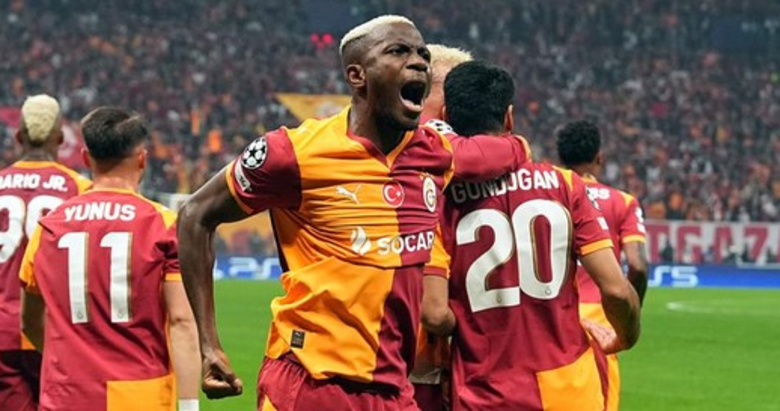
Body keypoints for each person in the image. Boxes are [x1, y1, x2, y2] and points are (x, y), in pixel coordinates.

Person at [177, 15, 529, 411]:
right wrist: (210, 345)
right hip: (312, 384)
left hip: (393, 390)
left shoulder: (433, 152)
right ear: (357, 75)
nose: (418, 62)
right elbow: (195, 215)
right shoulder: (292, 154)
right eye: (398, 51)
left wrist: (519, 145)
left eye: (422, 54)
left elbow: (496, 153)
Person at [422, 61, 641, 411]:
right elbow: (616, 289)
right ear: (509, 118)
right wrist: (625, 336)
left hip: (485, 392)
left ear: (447, 117)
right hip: (569, 389)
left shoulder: (438, 201)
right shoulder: (565, 184)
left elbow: (434, 315)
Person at [19, 107, 200, 411]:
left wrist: (63, 360)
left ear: (85, 158)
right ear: (142, 159)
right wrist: (190, 406)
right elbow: (181, 321)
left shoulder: (49, 226)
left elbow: (29, 320)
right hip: (140, 395)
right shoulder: (163, 224)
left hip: (67, 394)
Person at [0, 95, 91, 411]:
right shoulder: (80, 189)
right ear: (60, 138)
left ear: (18, 136)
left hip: (2, 334)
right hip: (57, 335)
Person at [556, 120, 649, 411]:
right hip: (601, 325)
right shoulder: (623, 202)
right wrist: (630, 315)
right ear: (599, 157)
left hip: (553, 318)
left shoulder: (544, 194)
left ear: (560, 158)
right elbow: (637, 265)